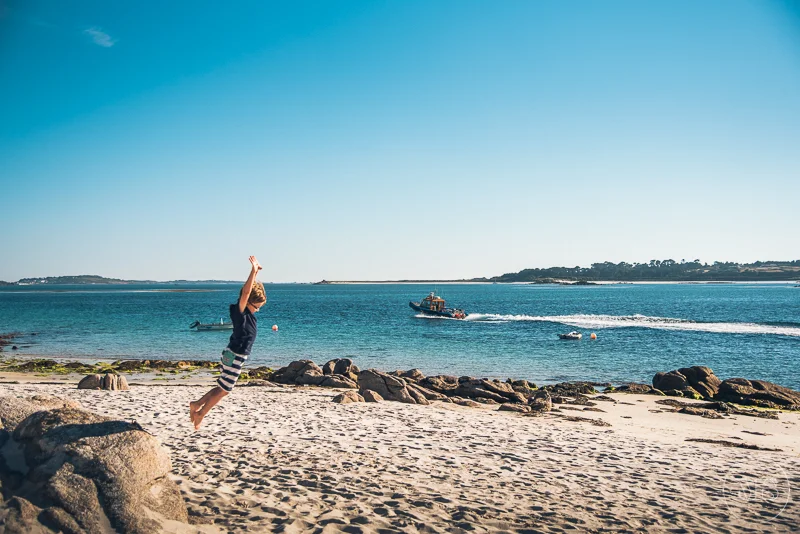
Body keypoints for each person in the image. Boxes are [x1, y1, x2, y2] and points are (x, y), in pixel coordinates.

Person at [190, 256, 266, 430]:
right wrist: (253, 271)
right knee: (225, 390)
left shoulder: (248, 314)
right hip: (235, 355)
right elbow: (246, 292)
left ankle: (196, 404)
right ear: (248, 303)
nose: (258, 310)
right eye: (257, 306)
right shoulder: (240, 312)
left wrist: (256, 277)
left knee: (221, 386)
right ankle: (200, 413)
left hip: (232, 354)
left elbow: (249, 292)